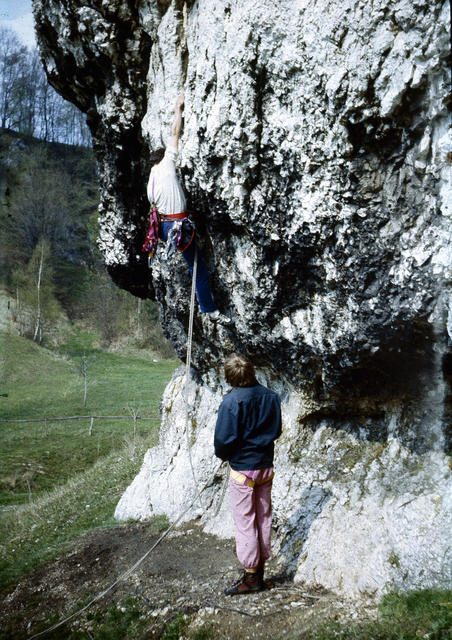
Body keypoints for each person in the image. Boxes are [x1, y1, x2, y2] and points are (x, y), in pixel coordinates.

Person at [146, 94, 229, 324]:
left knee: (191, 254)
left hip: (163, 227)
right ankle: (209, 309)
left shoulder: (151, 181)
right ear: (163, 157)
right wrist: (177, 108)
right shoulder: (167, 162)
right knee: (197, 267)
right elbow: (175, 133)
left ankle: (207, 305)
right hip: (176, 224)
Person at [214, 353, 282, 595]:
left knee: (246, 522)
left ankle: (252, 578)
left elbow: (223, 441)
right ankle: (260, 572)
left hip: (243, 469)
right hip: (265, 466)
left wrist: (225, 455)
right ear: (252, 372)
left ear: (230, 378)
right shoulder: (271, 397)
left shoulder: (231, 403)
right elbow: (276, 430)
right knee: (263, 517)